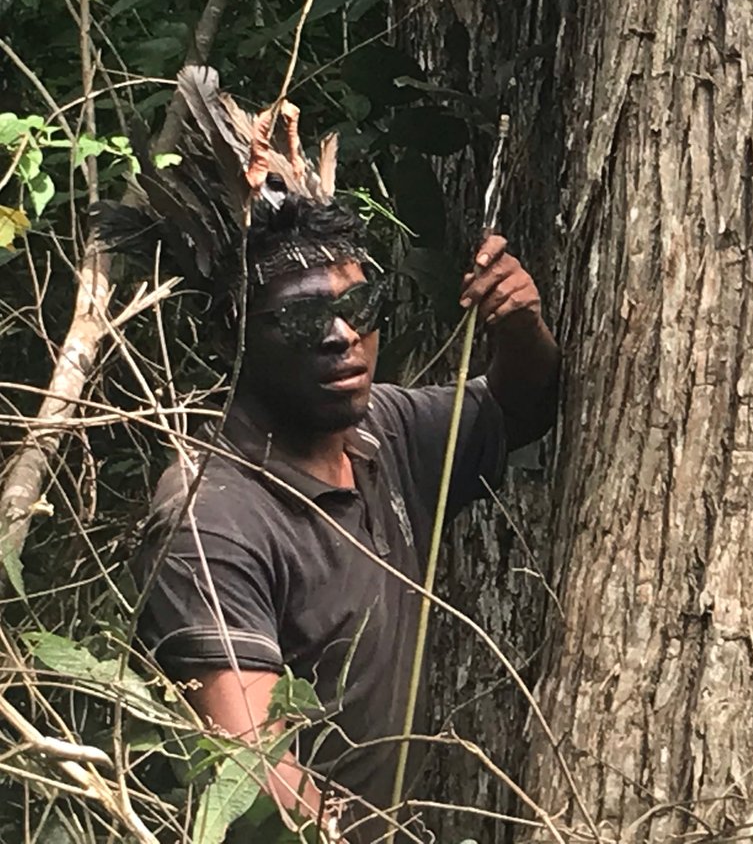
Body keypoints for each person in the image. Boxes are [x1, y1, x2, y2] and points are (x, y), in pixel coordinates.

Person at [132, 192, 559, 838]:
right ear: (234, 332)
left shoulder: (383, 433)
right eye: (303, 320)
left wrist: (519, 325)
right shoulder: (212, 518)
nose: (343, 336)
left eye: (358, 307)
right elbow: (252, 786)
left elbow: (520, 410)